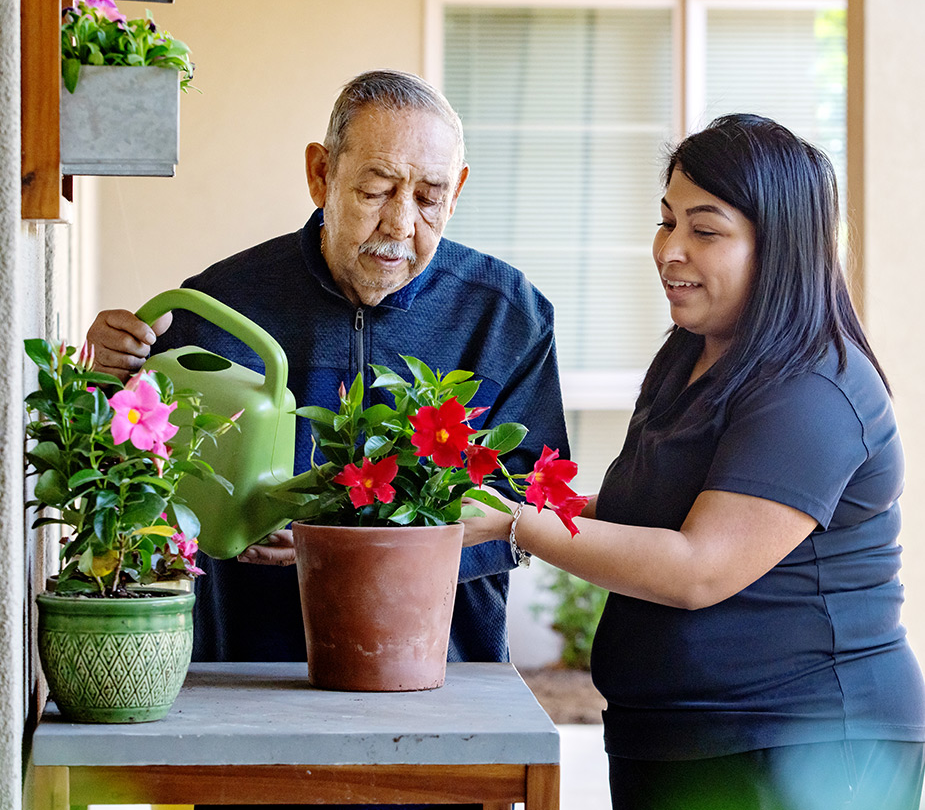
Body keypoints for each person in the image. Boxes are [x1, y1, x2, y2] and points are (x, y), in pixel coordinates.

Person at [462, 114, 925, 810]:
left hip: (805, 746)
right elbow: (635, 523)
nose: (669, 251)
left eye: (704, 230)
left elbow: (697, 568)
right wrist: (481, 502)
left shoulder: (813, 388)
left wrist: (512, 525)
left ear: (781, 247)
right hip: (676, 736)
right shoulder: (691, 356)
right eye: (665, 220)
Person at [86, 69, 569, 674]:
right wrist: (107, 379)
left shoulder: (507, 316)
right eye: (376, 190)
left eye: (428, 197)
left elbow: (530, 506)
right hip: (251, 673)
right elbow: (138, 485)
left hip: (445, 671)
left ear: (458, 189)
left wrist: (345, 541)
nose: (400, 224)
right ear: (321, 175)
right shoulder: (221, 306)